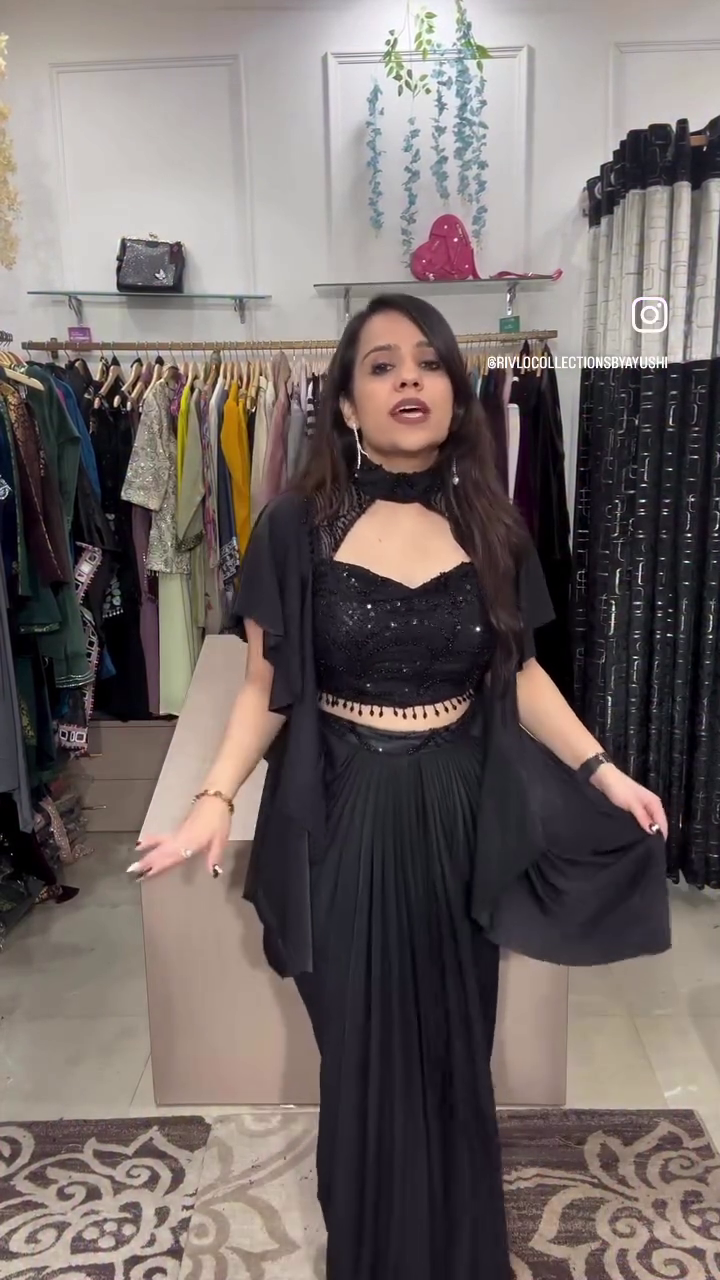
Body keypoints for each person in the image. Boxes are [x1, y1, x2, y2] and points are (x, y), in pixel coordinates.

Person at [131, 294, 671, 1280]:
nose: (408, 379)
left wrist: (602, 768)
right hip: (344, 813)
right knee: (364, 1056)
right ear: (345, 403)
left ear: (455, 394)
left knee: (454, 1049)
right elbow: (263, 685)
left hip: (460, 815)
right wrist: (213, 798)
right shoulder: (295, 525)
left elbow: (521, 674)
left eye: (427, 363)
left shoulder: (492, 524)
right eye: (381, 365)